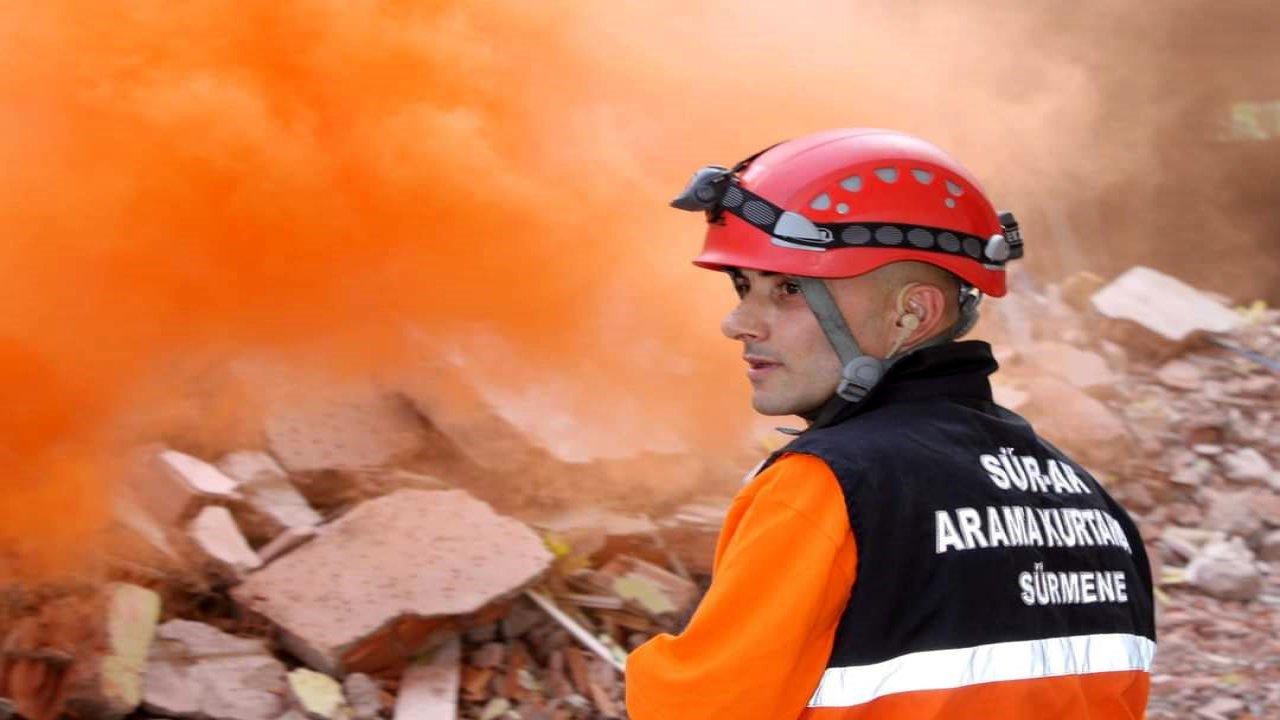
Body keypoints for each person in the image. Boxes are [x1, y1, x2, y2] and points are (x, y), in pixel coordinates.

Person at [624, 129, 1156, 719]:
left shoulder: (827, 487)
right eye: (745, 287)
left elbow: (701, 710)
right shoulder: (1087, 502)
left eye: (790, 290)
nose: (738, 323)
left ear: (913, 312)